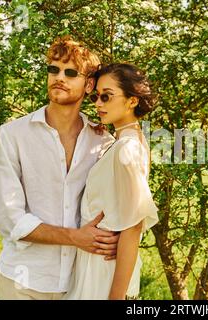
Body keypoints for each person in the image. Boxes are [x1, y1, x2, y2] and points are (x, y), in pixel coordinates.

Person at [0, 35, 118, 300]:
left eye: (70, 72)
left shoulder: (103, 141)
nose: (59, 77)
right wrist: (75, 237)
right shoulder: (12, 135)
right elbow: (9, 219)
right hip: (22, 281)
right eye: (54, 69)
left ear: (89, 85)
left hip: (79, 281)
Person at [64, 63, 159, 300]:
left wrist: (115, 298)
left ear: (132, 101)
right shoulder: (124, 142)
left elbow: (133, 226)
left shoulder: (127, 149)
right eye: (97, 97)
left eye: (106, 97)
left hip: (104, 272)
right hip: (94, 261)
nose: (98, 104)